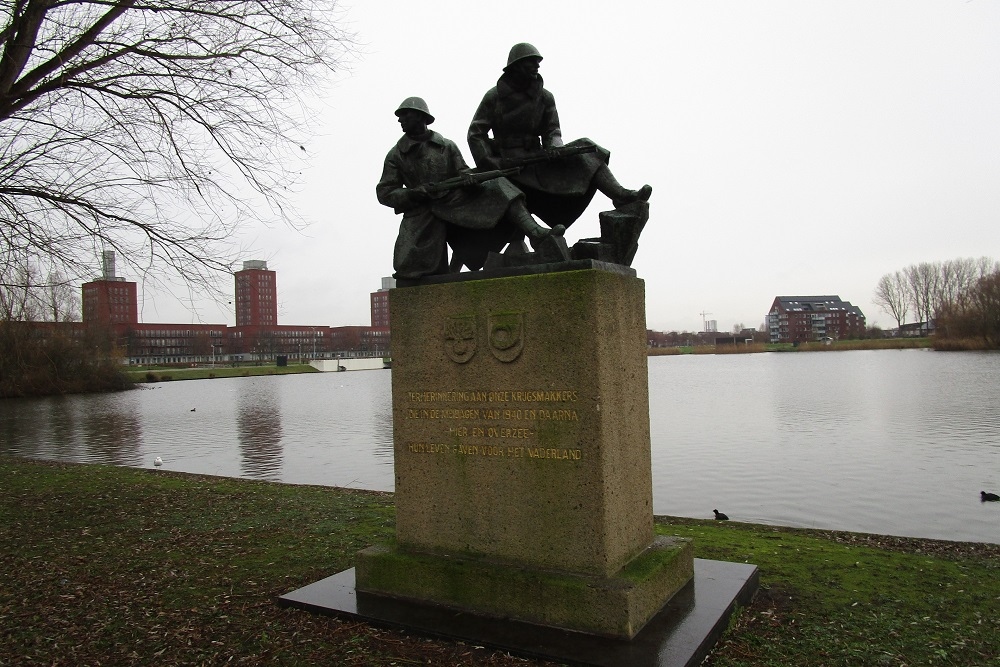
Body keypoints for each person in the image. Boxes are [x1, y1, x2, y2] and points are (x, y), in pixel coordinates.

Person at [468, 43, 651, 229]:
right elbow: (476, 133)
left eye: (537, 62)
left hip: (537, 160)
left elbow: (552, 130)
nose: (537, 66)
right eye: (530, 62)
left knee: (587, 149)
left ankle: (619, 195)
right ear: (515, 66)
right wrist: (490, 162)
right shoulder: (494, 97)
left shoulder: (545, 97)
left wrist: (555, 147)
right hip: (509, 165)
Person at [377, 97, 563, 279]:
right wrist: (412, 194)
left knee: (499, 185)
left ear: (421, 117)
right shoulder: (396, 155)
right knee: (408, 267)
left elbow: (462, 171)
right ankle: (450, 270)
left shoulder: (447, 146)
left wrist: (468, 179)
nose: (400, 120)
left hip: (454, 200)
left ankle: (534, 232)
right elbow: (385, 192)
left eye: (405, 115)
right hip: (423, 210)